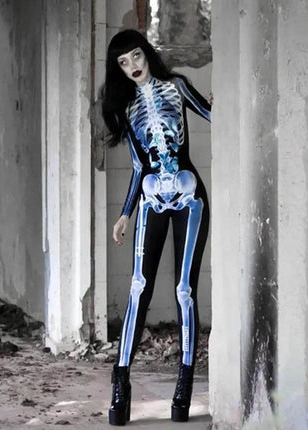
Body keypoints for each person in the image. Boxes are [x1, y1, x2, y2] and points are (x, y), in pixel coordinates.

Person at [102, 29, 211, 426]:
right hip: (151, 198)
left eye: (136, 56)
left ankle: (184, 384)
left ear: (146, 53)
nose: (132, 66)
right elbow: (138, 167)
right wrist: (124, 214)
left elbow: (215, 115)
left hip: (188, 195)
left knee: (184, 291)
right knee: (138, 287)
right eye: (123, 62)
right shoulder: (128, 108)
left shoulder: (177, 86)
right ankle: (121, 381)